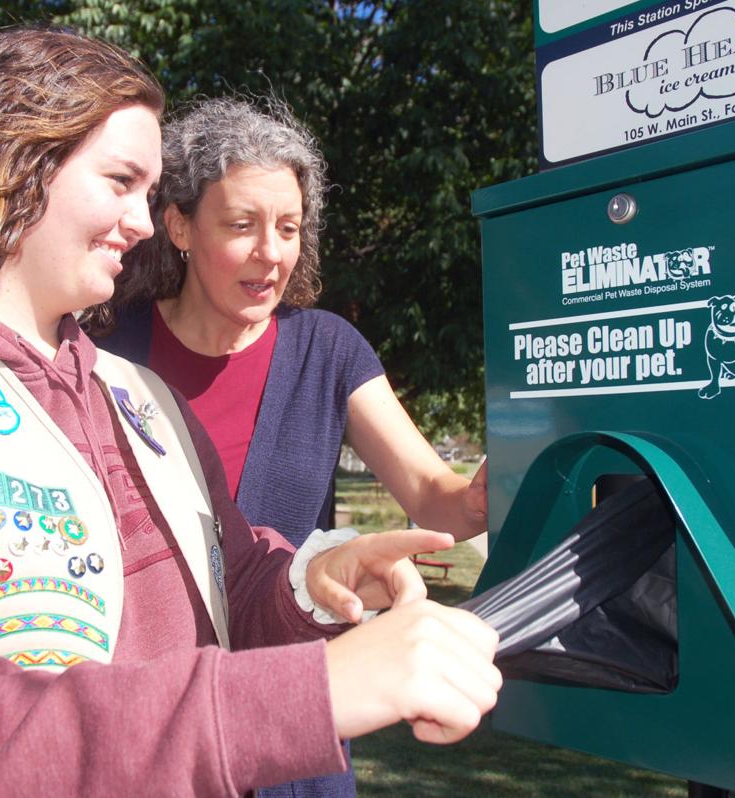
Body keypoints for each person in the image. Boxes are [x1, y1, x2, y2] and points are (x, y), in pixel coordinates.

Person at [0, 28, 501, 798]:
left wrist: (312, 583)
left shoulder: (142, 399)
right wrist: (318, 691)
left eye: (149, 192)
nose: (143, 223)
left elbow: (231, 589)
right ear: (11, 168)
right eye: (121, 181)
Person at [92, 97, 491, 798]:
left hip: (294, 736)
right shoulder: (101, 349)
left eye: (288, 228)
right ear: (180, 224)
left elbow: (437, 497)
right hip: (147, 734)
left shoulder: (328, 349)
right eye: (242, 225)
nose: (271, 254)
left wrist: (489, 490)